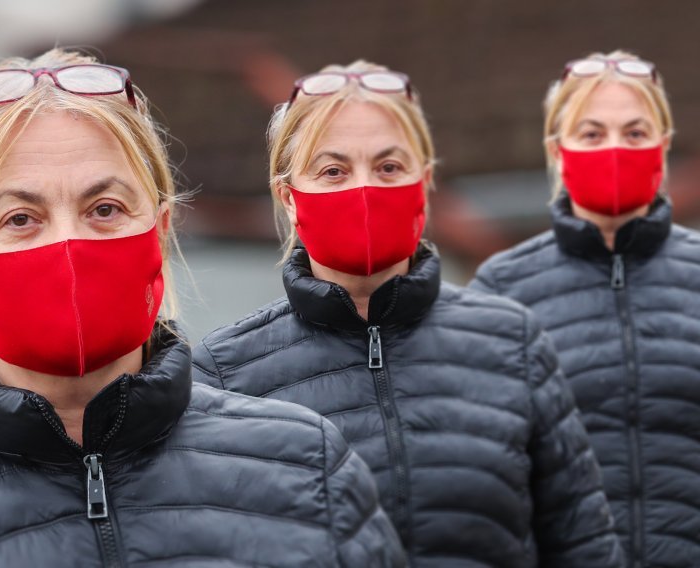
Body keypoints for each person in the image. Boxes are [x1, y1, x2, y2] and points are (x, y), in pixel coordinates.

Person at [0, 49, 405, 567]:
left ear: (160, 233)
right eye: (20, 218)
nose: (69, 243)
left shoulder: (308, 470)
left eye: (104, 209)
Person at [192, 61, 623, 566]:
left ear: (424, 183)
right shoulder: (223, 374)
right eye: (333, 171)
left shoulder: (512, 343)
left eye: (388, 167)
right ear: (289, 197)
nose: (364, 189)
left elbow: (583, 544)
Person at [470, 50, 700, 567]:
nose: (615, 149)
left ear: (663, 147)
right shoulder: (503, 287)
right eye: (593, 134)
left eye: (636, 134)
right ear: (558, 149)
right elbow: (486, 469)